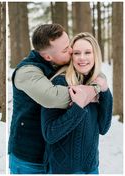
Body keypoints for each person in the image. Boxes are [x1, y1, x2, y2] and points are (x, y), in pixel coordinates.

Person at [8, 24, 104, 174]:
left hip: (52, 156)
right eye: (66, 50)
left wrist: (99, 81)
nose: (71, 51)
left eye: (69, 44)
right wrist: (94, 90)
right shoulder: (26, 72)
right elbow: (53, 97)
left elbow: (91, 70)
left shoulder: (61, 60)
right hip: (29, 158)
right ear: (48, 56)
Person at [41, 32, 113, 174]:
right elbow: (49, 134)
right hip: (62, 170)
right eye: (77, 53)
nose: (82, 58)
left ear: (95, 55)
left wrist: (105, 92)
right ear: (71, 56)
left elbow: (103, 128)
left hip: (91, 168)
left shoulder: (95, 84)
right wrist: (77, 108)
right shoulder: (59, 83)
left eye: (88, 52)